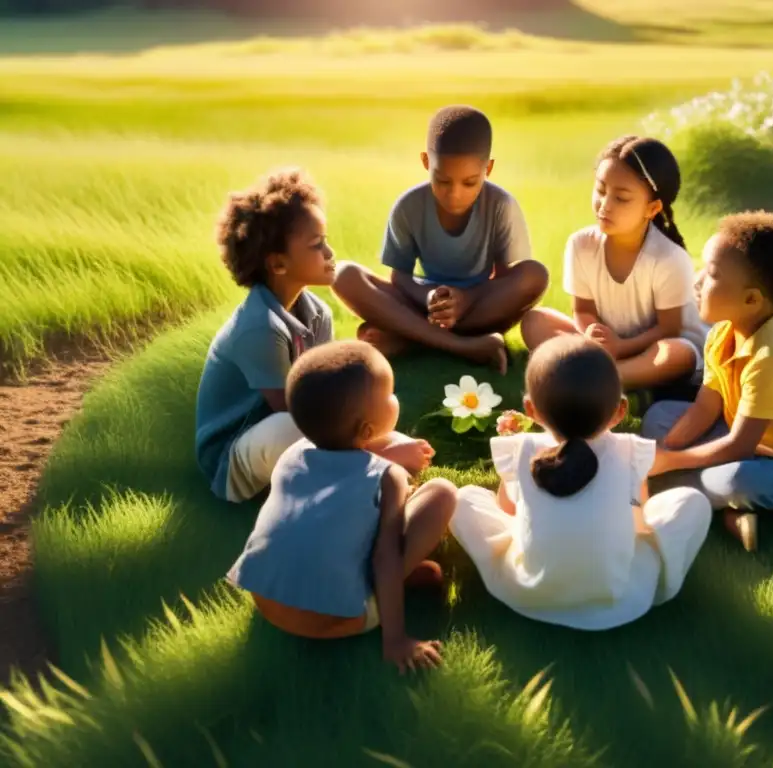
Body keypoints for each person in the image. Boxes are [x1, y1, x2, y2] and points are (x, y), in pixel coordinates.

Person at [194, 169, 432, 504]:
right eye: (317, 245)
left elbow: (330, 394)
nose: (330, 253)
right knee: (292, 427)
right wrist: (380, 443)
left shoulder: (317, 311)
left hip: (304, 426)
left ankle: (364, 462)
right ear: (278, 264)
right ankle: (374, 468)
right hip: (240, 455)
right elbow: (305, 413)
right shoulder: (259, 328)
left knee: (372, 404)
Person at [450, 335, 712, 630]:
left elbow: (506, 511)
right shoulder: (630, 451)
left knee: (463, 498)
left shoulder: (520, 449)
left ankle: (553, 554)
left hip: (530, 592)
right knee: (691, 502)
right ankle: (655, 584)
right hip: (618, 599)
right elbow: (640, 523)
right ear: (620, 411)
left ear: (530, 410)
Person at [227, 340, 457, 673]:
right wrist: (395, 640)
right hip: (337, 620)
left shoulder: (291, 456)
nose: (396, 398)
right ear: (366, 429)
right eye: (390, 394)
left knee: (346, 518)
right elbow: (386, 557)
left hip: (267, 599)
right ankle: (375, 600)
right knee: (441, 494)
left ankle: (357, 580)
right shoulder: (388, 476)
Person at [642, 212, 773, 553]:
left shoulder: (772, 361)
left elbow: (739, 445)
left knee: (734, 479)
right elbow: (706, 407)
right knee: (661, 415)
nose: (698, 280)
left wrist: (669, 463)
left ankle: (667, 494)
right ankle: (729, 511)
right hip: (742, 436)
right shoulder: (723, 332)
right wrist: (668, 449)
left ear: (751, 300)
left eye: (713, 274)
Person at [332, 105, 549, 376]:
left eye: (469, 182)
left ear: (488, 168)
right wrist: (430, 297)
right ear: (426, 162)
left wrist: (466, 299)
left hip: (479, 307)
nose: (454, 194)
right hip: (425, 302)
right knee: (344, 275)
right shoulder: (409, 206)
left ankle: (409, 336)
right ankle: (463, 346)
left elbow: (505, 280)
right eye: (442, 180)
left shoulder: (501, 206)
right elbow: (399, 277)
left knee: (534, 274)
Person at [520, 135, 708, 394]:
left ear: (652, 208)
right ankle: (603, 375)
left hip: (655, 348)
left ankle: (602, 379)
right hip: (607, 346)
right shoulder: (581, 244)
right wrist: (590, 337)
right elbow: (583, 310)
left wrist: (621, 347)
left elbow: (668, 329)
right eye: (600, 190)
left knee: (677, 354)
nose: (605, 205)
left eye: (621, 198)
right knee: (534, 321)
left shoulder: (669, 258)